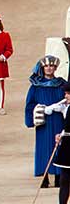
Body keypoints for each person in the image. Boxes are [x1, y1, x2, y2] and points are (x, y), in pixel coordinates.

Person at [25, 56, 67, 189]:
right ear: (43, 68)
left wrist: (62, 108)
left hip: (58, 120)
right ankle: (44, 177)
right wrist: (43, 109)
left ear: (55, 68)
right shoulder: (36, 86)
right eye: (46, 66)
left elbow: (67, 99)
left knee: (59, 146)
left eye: (51, 66)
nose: (49, 68)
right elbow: (30, 105)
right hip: (44, 122)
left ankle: (58, 176)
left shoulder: (61, 84)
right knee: (43, 147)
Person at [45, 83, 70, 204]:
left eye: (68, 94)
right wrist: (61, 134)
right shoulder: (68, 107)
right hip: (67, 145)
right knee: (64, 181)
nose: (65, 96)